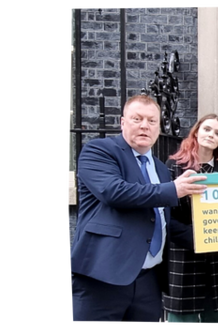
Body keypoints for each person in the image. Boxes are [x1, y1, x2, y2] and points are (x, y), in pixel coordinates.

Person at [67, 94, 207, 324]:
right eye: (137, 119)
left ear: (159, 127)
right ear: (123, 122)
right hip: (102, 278)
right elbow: (115, 192)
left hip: (148, 283)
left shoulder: (161, 170)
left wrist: (214, 237)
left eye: (152, 121)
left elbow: (162, 221)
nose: (145, 126)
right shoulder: (99, 151)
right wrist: (173, 189)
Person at [163, 114, 218, 325]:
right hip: (184, 253)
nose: (211, 135)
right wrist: (195, 237)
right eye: (207, 129)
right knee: (182, 318)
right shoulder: (174, 165)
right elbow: (165, 214)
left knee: (217, 317)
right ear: (196, 132)